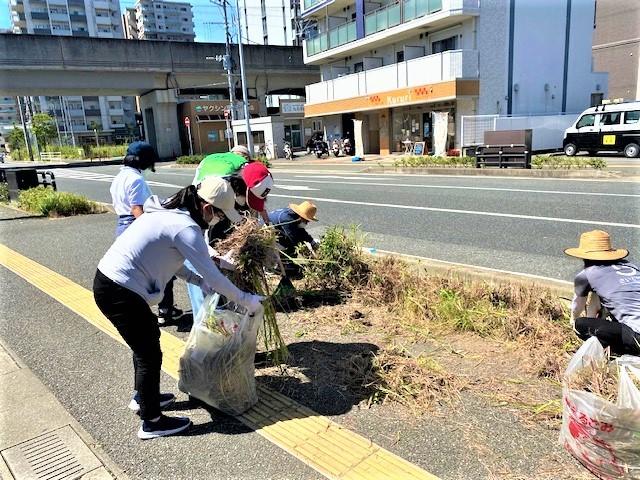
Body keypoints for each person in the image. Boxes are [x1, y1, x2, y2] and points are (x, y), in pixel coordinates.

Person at [93, 176, 263, 439]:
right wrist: (246, 299)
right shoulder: (186, 229)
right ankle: (151, 422)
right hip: (121, 290)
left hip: (111, 282)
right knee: (149, 353)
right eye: (219, 215)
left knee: (143, 346)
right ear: (207, 209)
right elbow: (216, 279)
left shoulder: (166, 213)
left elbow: (172, 260)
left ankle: (143, 398)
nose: (218, 220)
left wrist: (197, 280)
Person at [110, 141, 181, 325]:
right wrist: (149, 231)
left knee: (136, 274)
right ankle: (165, 311)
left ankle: (147, 312)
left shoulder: (119, 177)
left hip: (122, 226)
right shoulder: (136, 179)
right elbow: (136, 208)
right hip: (135, 224)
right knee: (162, 270)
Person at [565, 230, 640, 355]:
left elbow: (576, 308)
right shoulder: (632, 267)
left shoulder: (587, 275)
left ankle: (612, 352)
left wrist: (573, 320)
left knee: (580, 324)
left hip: (637, 336)